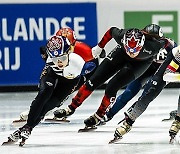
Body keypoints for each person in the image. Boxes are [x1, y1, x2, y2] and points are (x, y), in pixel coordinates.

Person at [55, 24, 173, 129]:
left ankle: (99, 115)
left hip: (140, 63)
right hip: (120, 54)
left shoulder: (154, 46)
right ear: (124, 42)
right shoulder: (121, 36)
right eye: (129, 49)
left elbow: (170, 43)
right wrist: (99, 47)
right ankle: (71, 108)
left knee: (112, 87)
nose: (131, 53)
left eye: (134, 50)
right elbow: (111, 31)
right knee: (93, 81)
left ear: (142, 45)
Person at [4, 35, 100, 146]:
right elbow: (42, 49)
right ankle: (28, 127)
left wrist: (83, 79)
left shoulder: (79, 63)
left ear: (69, 52)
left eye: (62, 58)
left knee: (50, 104)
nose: (59, 62)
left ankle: (27, 128)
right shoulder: (49, 58)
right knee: (44, 94)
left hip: (69, 81)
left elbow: (93, 67)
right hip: (51, 74)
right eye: (55, 59)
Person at [15, 27, 105, 122]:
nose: (62, 48)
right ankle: (32, 111)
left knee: (56, 100)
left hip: (72, 76)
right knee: (45, 92)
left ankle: (46, 110)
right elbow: (43, 50)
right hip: (54, 72)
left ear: (73, 44)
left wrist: (83, 74)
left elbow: (94, 64)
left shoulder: (84, 51)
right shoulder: (51, 47)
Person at [109, 45, 180, 144]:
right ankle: (128, 122)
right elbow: (167, 76)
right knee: (149, 94)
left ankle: (178, 120)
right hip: (170, 68)